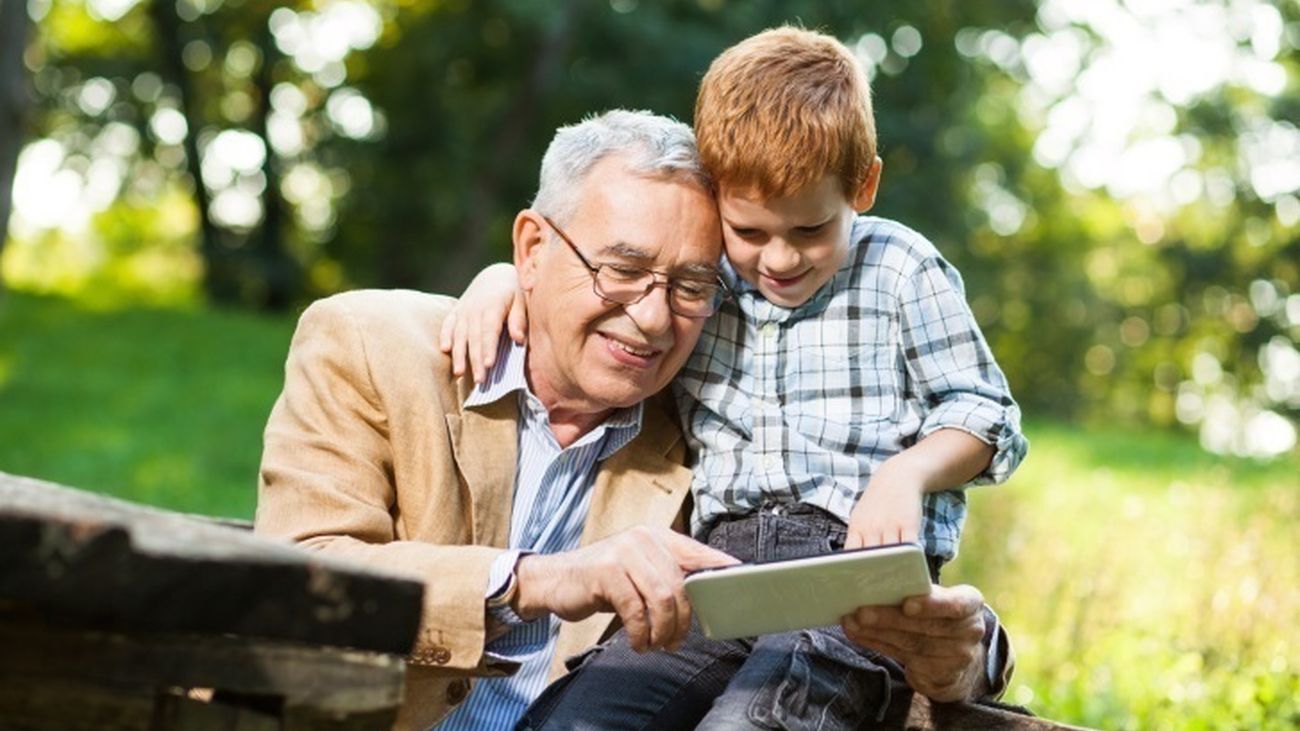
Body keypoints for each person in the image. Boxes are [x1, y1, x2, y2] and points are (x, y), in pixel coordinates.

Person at [442, 27, 1028, 730]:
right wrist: (505, 277)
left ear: (864, 186)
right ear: (717, 197)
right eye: (749, 233)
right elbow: (596, 287)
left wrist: (905, 474)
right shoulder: (702, 285)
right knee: (587, 710)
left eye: (809, 231)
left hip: (852, 582)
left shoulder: (901, 270)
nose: (778, 259)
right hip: (720, 572)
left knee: (755, 719)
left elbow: (986, 413)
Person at [256, 110, 743, 731]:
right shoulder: (368, 344)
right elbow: (296, 581)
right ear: (533, 249)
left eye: (691, 286)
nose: (653, 319)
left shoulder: (709, 428)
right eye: (621, 271)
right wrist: (535, 581)